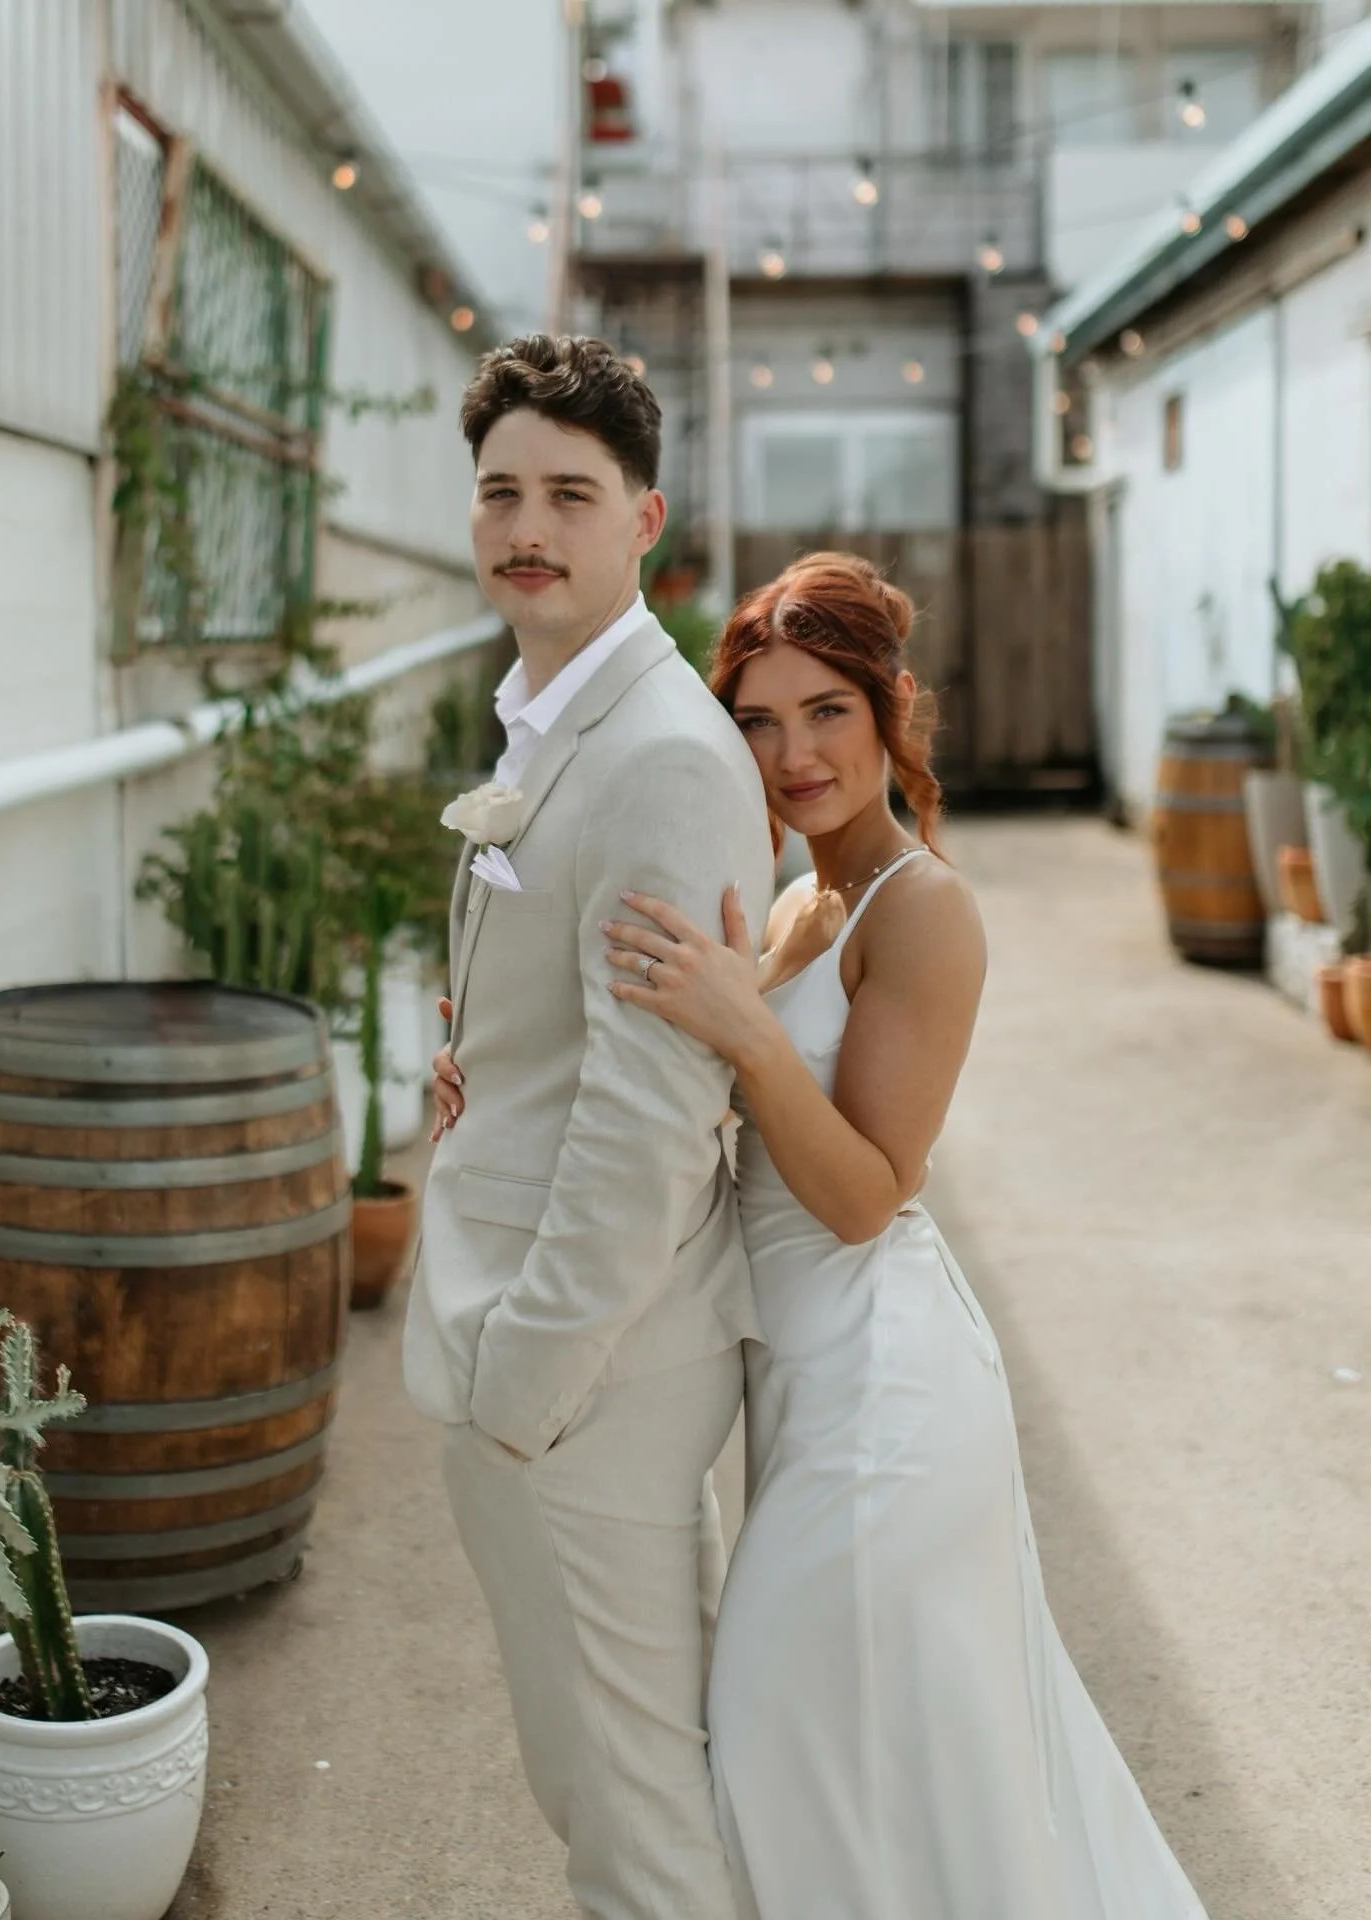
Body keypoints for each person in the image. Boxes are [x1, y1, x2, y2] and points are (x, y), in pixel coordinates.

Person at [435, 551, 1210, 1920]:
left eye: (827, 712)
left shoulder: (927, 912)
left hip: (888, 1391)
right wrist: (490, 1095)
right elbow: (675, 1103)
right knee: (873, 1767)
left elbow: (868, 1191)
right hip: (788, 1380)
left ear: (890, 707)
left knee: (786, 1733)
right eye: (758, 720)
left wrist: (741, 1028)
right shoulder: (796, 904)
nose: (792, 754)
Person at [402, 333, 774, 1920]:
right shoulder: (554, 712)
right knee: (589, 1773)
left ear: (647, 519)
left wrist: (522, 1388)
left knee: (634, 1806)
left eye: (569, 492)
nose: (525, 525)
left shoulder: (665, 754)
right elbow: (575, 1030)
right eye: (500, 492)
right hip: (533, 1343)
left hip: (583, 1376)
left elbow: (653, 1122)